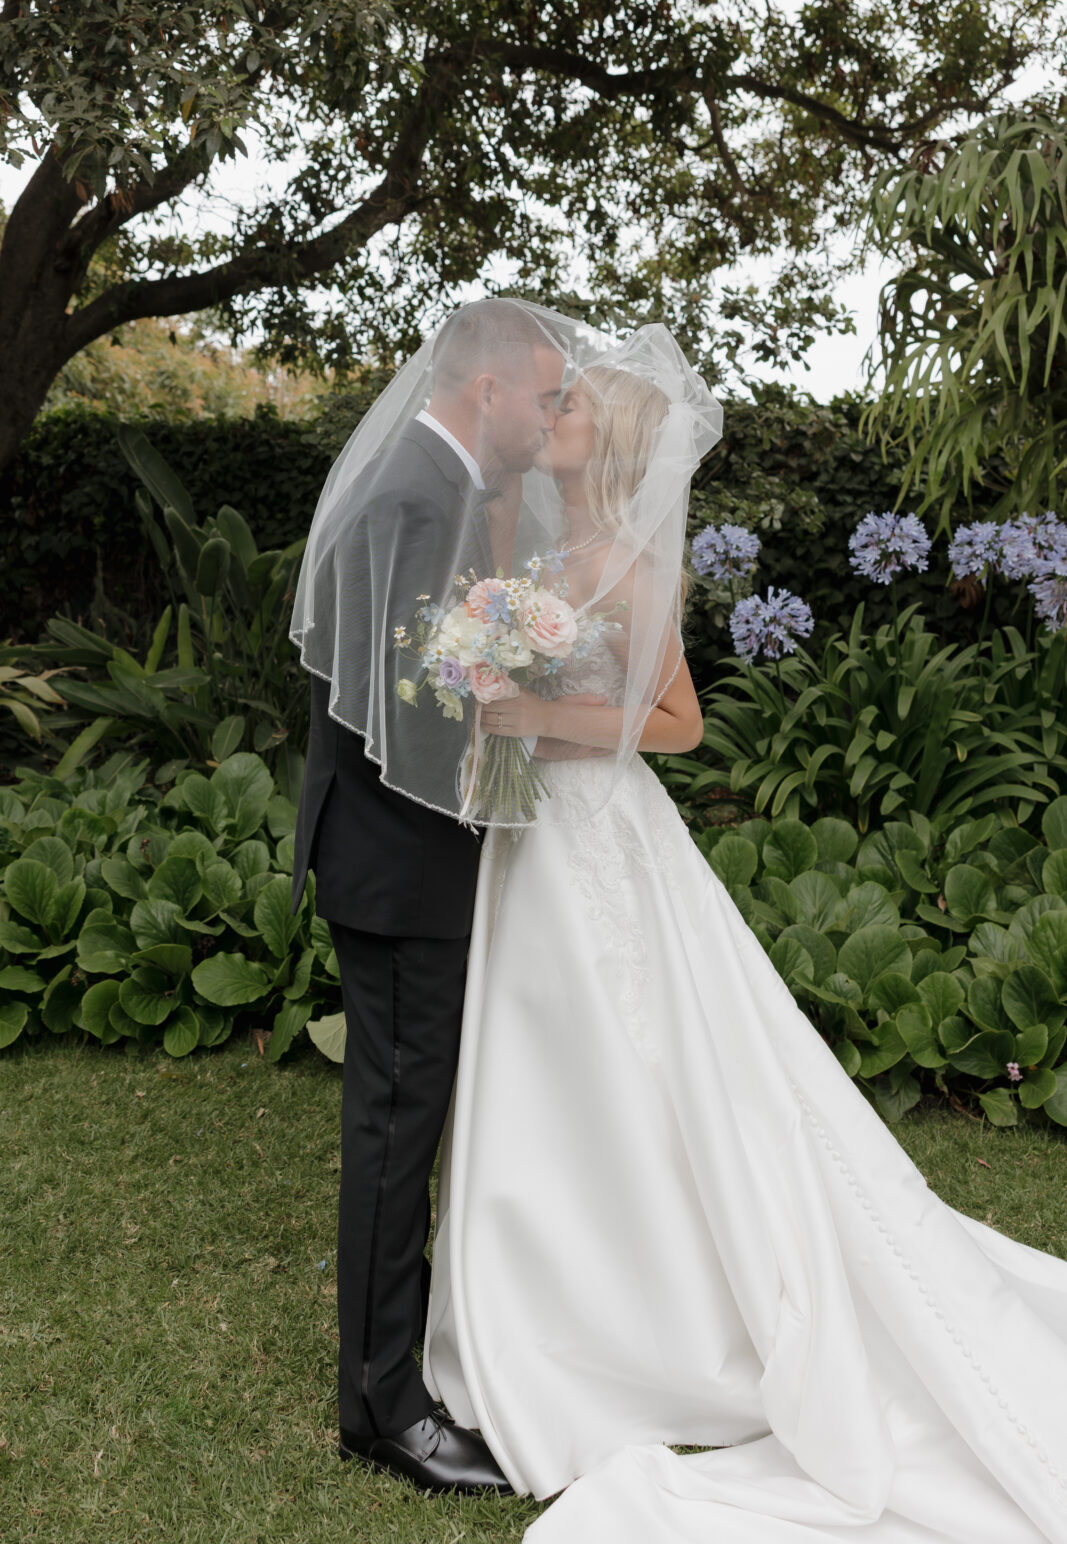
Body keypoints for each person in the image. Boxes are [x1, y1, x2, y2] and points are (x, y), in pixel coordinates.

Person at [420, 347, 1067, 1542]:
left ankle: (653, 1317)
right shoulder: (540, 561)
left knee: (641, 1062)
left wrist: (534, 719)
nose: (553, 414)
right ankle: (543, 1287)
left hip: (606, 844)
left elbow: (675, 723)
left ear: (605, 444)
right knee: (545, 1063)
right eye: (556, 403)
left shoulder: (623, 561)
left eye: (572, 408)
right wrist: (484, 707)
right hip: (533, 849)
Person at [289, 297, 566, 1493]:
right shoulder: (417, 493)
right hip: (401, 866)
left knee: (404, 1122)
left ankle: (391, 1375)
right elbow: (407, 707)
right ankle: (383, 1408)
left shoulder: (430, 483)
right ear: (488, 386)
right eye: (545, 396)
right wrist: (524, 726)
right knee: (396, 1132)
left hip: (404, 856)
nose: (550, 421)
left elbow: (423, 678)